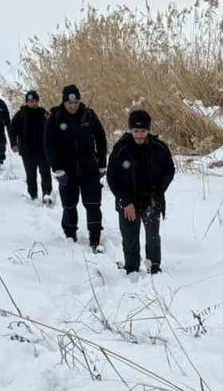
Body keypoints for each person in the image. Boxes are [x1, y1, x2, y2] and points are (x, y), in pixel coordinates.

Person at [108, 110, 175, 274]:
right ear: (130, 130)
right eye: (136, 131)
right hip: (128, 201)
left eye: (143, 131)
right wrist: (125, 201)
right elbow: (112, 177)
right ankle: (131, 268)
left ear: (148, 130)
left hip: (151, 199)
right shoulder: (121, 148)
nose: (139, 135)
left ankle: (153, 266)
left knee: (153, 236)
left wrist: (158, 191)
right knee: (130, 237)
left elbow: (169, 170)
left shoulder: (159, 147)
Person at [44, 84, 108, 252]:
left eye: (76, 102)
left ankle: (95, 239)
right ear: (64, 102)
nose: (73, 106)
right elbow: (49, 145)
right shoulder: (55, 117)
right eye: (69, 103)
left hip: (89, 168)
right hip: (67, 170)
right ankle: (70, 236)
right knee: (69, 205)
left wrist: (102, 163)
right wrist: (57, 168)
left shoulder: (89, 115)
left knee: (93, 204)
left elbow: (101, 139)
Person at [10, 89, 54, 204]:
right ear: (26, 102)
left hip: (43, 150)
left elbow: (52, 128)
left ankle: (47, 194)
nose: (32, 103)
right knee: (31, 174)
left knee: (45, 173)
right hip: (27, 150)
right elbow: (12, 130)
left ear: (38, 101)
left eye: (34, 101)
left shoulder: (44, 113)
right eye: (30, 101)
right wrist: (13, 143)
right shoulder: (21, 114)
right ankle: (33, 195)